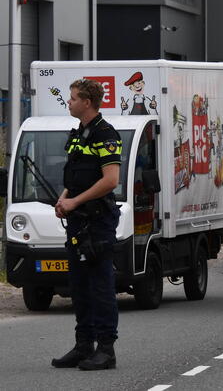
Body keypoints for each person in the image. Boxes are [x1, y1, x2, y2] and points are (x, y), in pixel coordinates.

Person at [51, 79, 122, 370]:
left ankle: (106, 349)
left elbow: (110, 180)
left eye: (72, 98)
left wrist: (75, 202)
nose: (69, 102)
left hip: (98, 222)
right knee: (79, 286)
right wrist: (63, 199)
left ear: (87, 102)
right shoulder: (80, 134)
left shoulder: (106, 134)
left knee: (100, 286)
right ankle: (84, 346)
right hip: (78, 222)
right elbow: (76, 176)